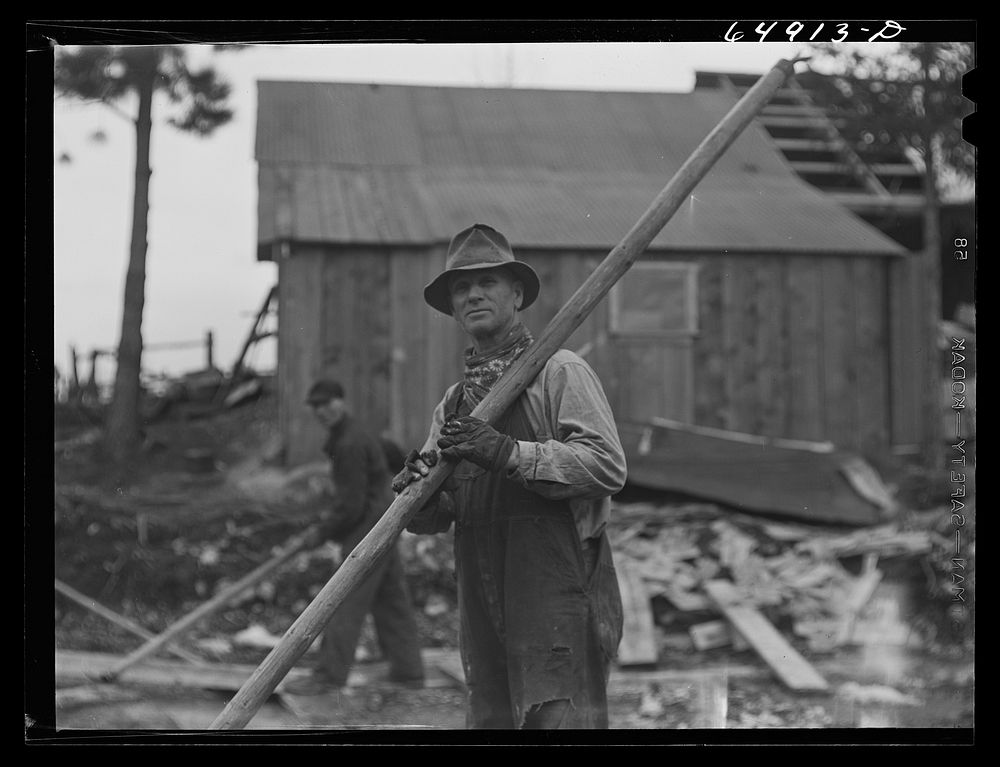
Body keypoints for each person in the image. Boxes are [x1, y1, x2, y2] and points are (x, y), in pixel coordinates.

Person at [392, 224, 627, 729]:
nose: (473, 294)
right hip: (482, 601)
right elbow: (437, 517)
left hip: (556, 598)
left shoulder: (559, 372)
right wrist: (418, 493)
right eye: (460, 287)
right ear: (452, 307)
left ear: (517, 294)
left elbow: (607, 464)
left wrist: (507, 452)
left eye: (488, 282)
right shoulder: (452, 405)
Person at [285, 378, 425, 695]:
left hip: (367, 527)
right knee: (391, 599)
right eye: (316, 406)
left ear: (341, 402)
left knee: (344, 599)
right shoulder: (353, 433)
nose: (322, 411)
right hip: (383, 522)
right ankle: (408, 671)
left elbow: (350, 506)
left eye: (328, 403)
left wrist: (320, 532)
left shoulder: (349, 442)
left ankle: (329, 675)